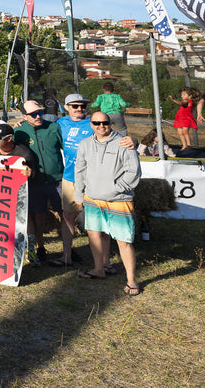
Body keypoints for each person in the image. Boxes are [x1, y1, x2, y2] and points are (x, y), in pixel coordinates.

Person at [74, 113, 143, 296]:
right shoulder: (85, 144)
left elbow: (133, 172)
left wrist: (115, 189)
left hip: (119, 200)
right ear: (91, 124)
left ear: (110, 123)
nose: (101, 126)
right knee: (95, 235)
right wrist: (79, 195)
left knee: (124, 241)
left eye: (105, 123)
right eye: (96, 123)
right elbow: (80, 170)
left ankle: (131, 280)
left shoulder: (124, 143)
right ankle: (99, 269)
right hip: (92, 199)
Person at [14, 100, 65, 265]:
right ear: (24, 116)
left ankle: (68, 250)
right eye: (34, 114)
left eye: (41, 113)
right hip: (34, 181)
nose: (38, 116)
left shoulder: (54, 127)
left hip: (57, 179)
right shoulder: (19, 132)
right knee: (38, 215)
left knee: (65, 214)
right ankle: (39, 247)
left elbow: (67, 148)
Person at [52, 93, 94, 267]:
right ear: (66, 107)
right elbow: (43, 133)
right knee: (68, 217)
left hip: (91, 179)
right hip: (69, 177)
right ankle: (66, 256)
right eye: (75, 106)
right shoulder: (60, 123)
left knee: (94, 219)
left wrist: (133, 140)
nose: (79, 109)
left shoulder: (95, 122)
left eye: (82, 106)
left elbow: (116, 138)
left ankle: (102, 261)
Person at [171, 87, 201, 153]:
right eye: (182, 95)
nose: (182, 96)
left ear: (190, 96)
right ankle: (184, 145)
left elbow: (182, 103)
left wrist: (174, 100)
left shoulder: (188, 101)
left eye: (184, 95)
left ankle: (189, 145)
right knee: (179, 133)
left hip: (185, 119)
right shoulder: (184, 100)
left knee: (185, 132)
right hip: (179, 119)